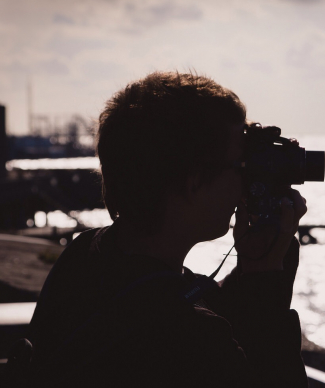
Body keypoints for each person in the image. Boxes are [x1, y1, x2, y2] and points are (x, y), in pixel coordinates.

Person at [18, 72, 309, 387]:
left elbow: (196, 298)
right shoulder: (189, 336)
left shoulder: (87, 255)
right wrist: (266, 274)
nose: (246, 182)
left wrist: (258, 264)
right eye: (242, 165)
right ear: (194, 181)